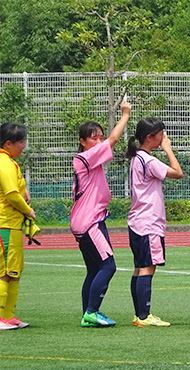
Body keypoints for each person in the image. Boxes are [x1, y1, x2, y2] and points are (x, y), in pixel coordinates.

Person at [70, 100, 131, 328]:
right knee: (108, 266)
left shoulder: (87, 160)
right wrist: (125, 114)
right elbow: (113, 141)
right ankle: (92, 312)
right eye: (93, 137)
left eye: (99, 136)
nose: (98, 141)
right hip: (90, 222)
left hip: (86, 221)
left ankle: (88, 312)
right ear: (82, 142)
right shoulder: (85, 158)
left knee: (94, 268)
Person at [127, 117, 183, 327]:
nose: (164, 138)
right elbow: (177, 172)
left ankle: (139, 314)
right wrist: (168, 150)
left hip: (138, 221)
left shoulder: (137, 158)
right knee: (147, 268)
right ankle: (144, 315)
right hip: (148, 222)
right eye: (161, 134)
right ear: (150, 137)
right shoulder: (148, 160)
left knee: (140, 267)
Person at [0, 123, 36, 330]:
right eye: (20, 142)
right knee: (4, 272)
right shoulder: (4, 162)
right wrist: (27, 210)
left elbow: (16, 189)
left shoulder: (9, 161)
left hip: (11, 226)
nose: (23, 145)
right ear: (8, 143)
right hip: (4, 224)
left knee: (14, 271)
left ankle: (8, 315)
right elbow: (11, 193)